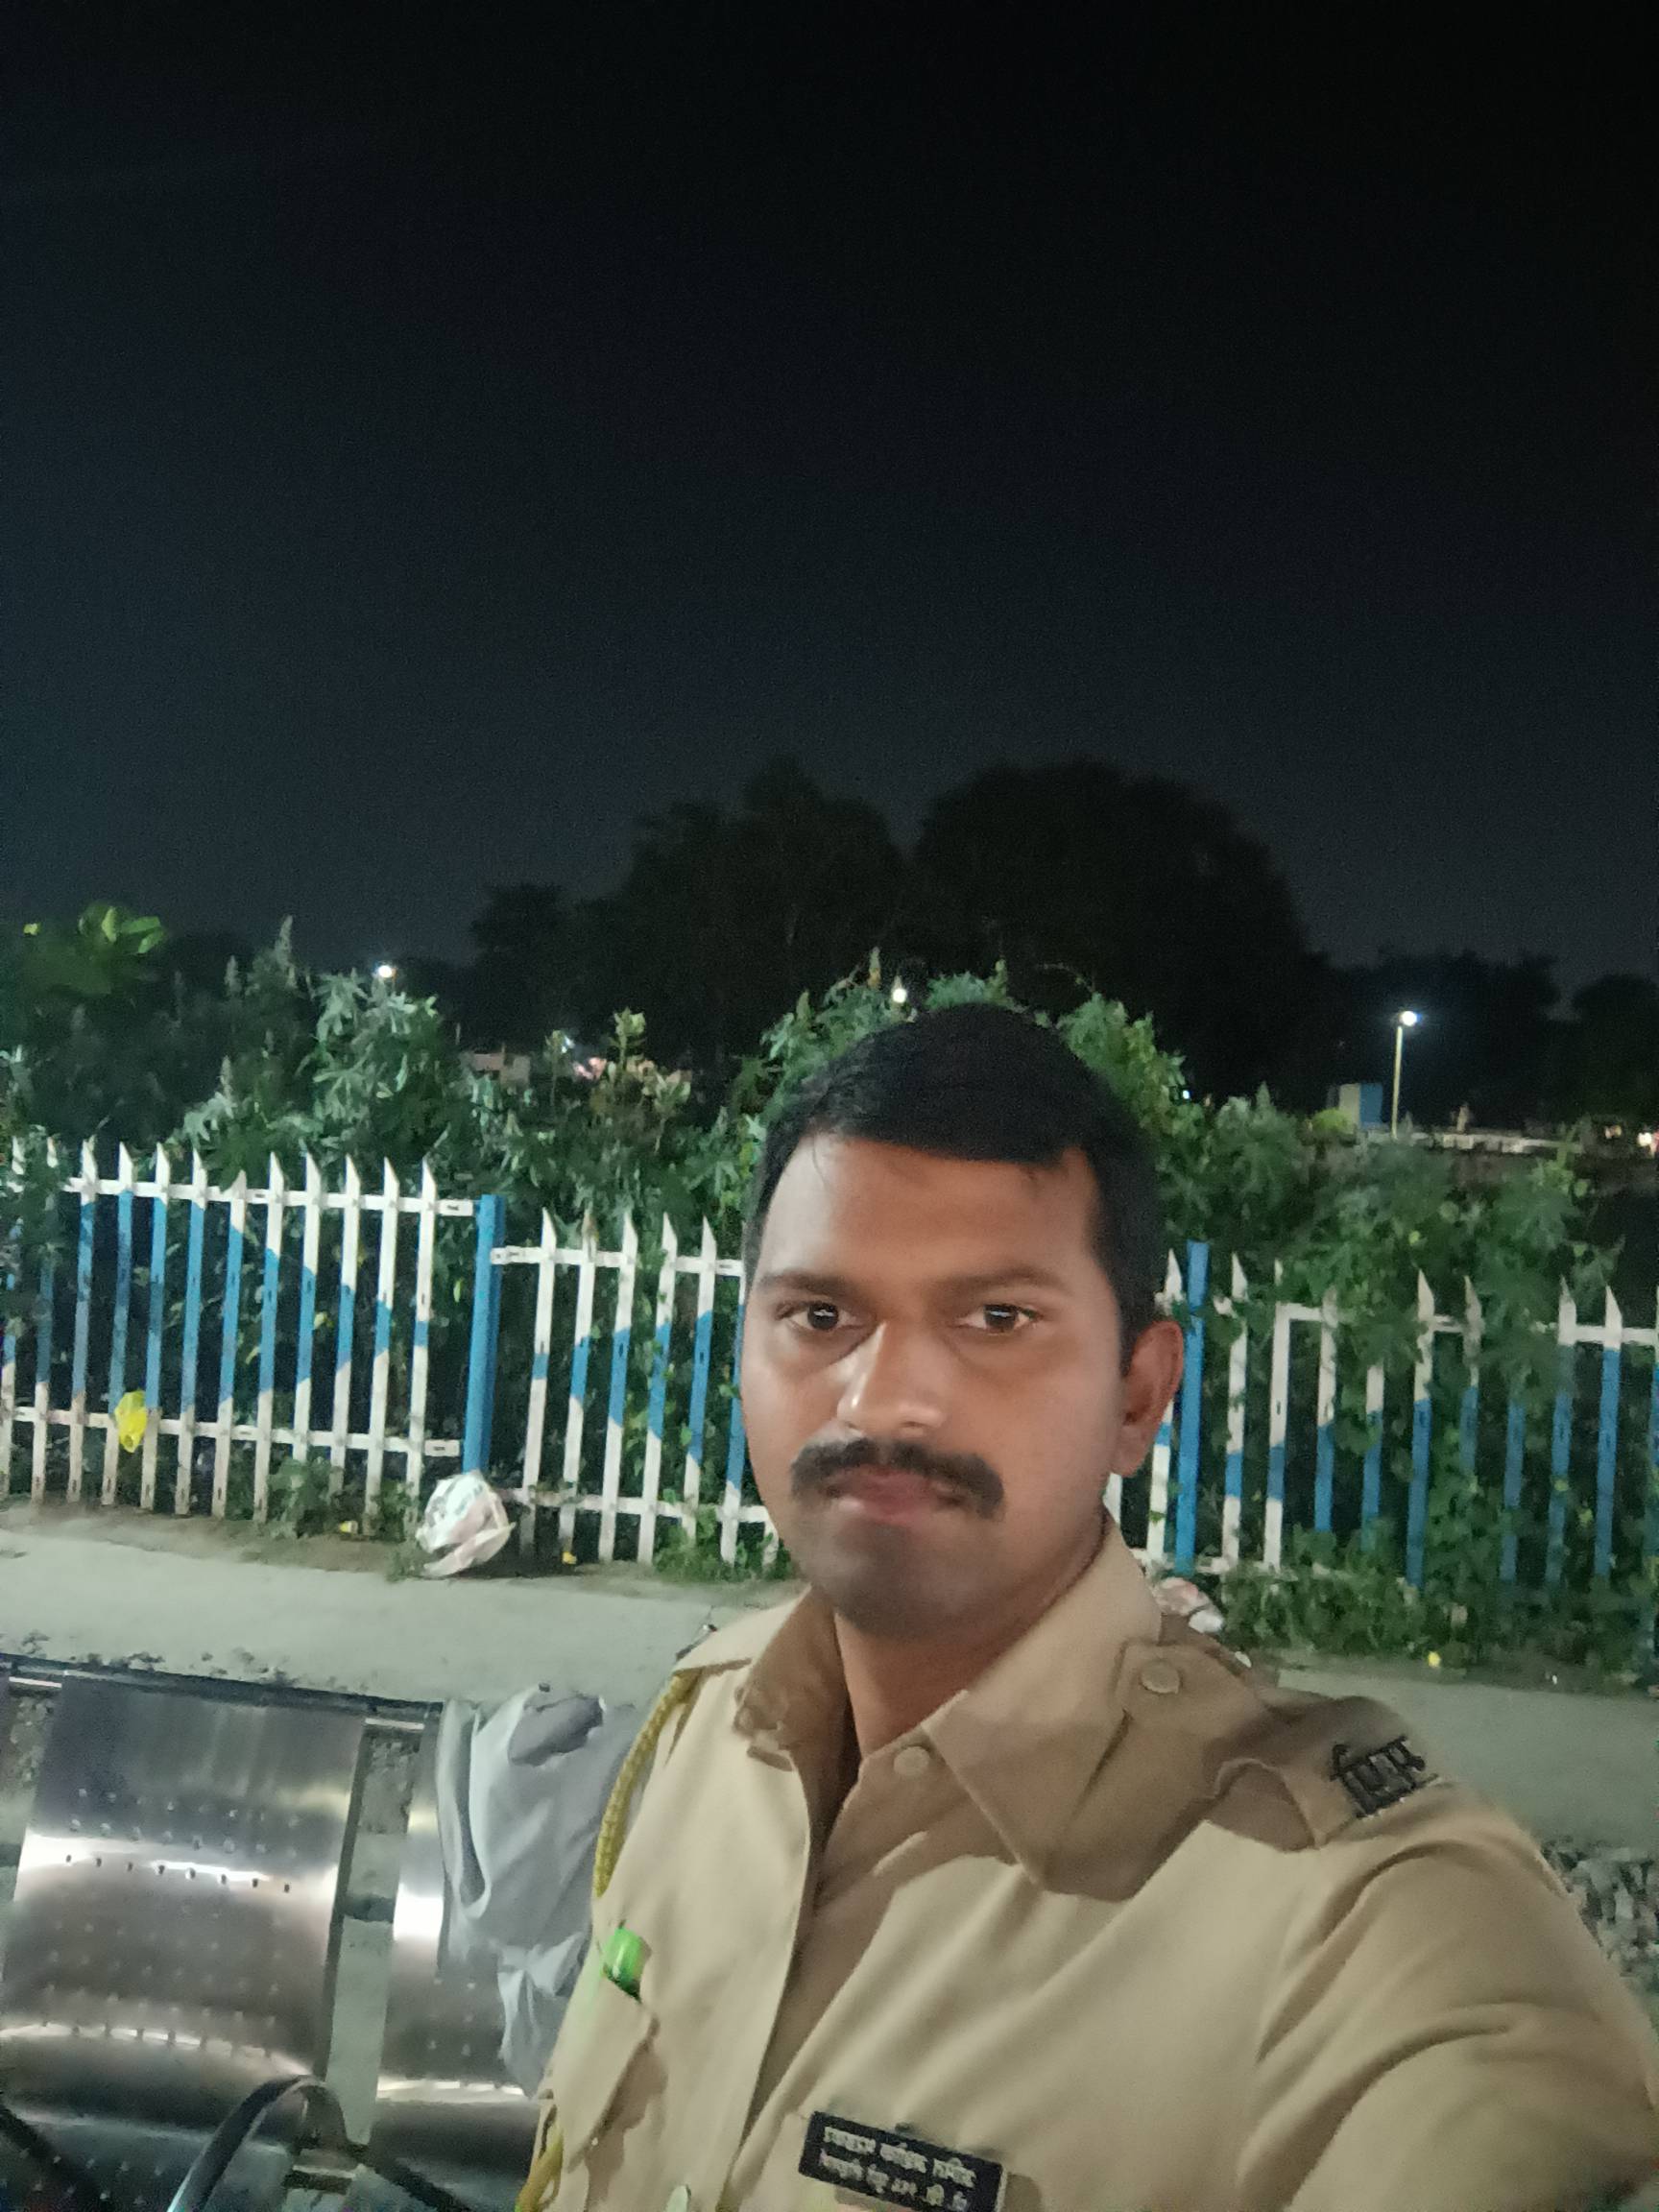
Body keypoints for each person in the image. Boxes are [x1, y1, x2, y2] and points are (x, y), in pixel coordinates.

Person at [521, 1004, 1659, 2212]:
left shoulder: (1353, 1916)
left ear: (1137, 1397)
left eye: (996, 1319)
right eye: (820, 1317)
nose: (883, 1396)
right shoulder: (708, 1734)